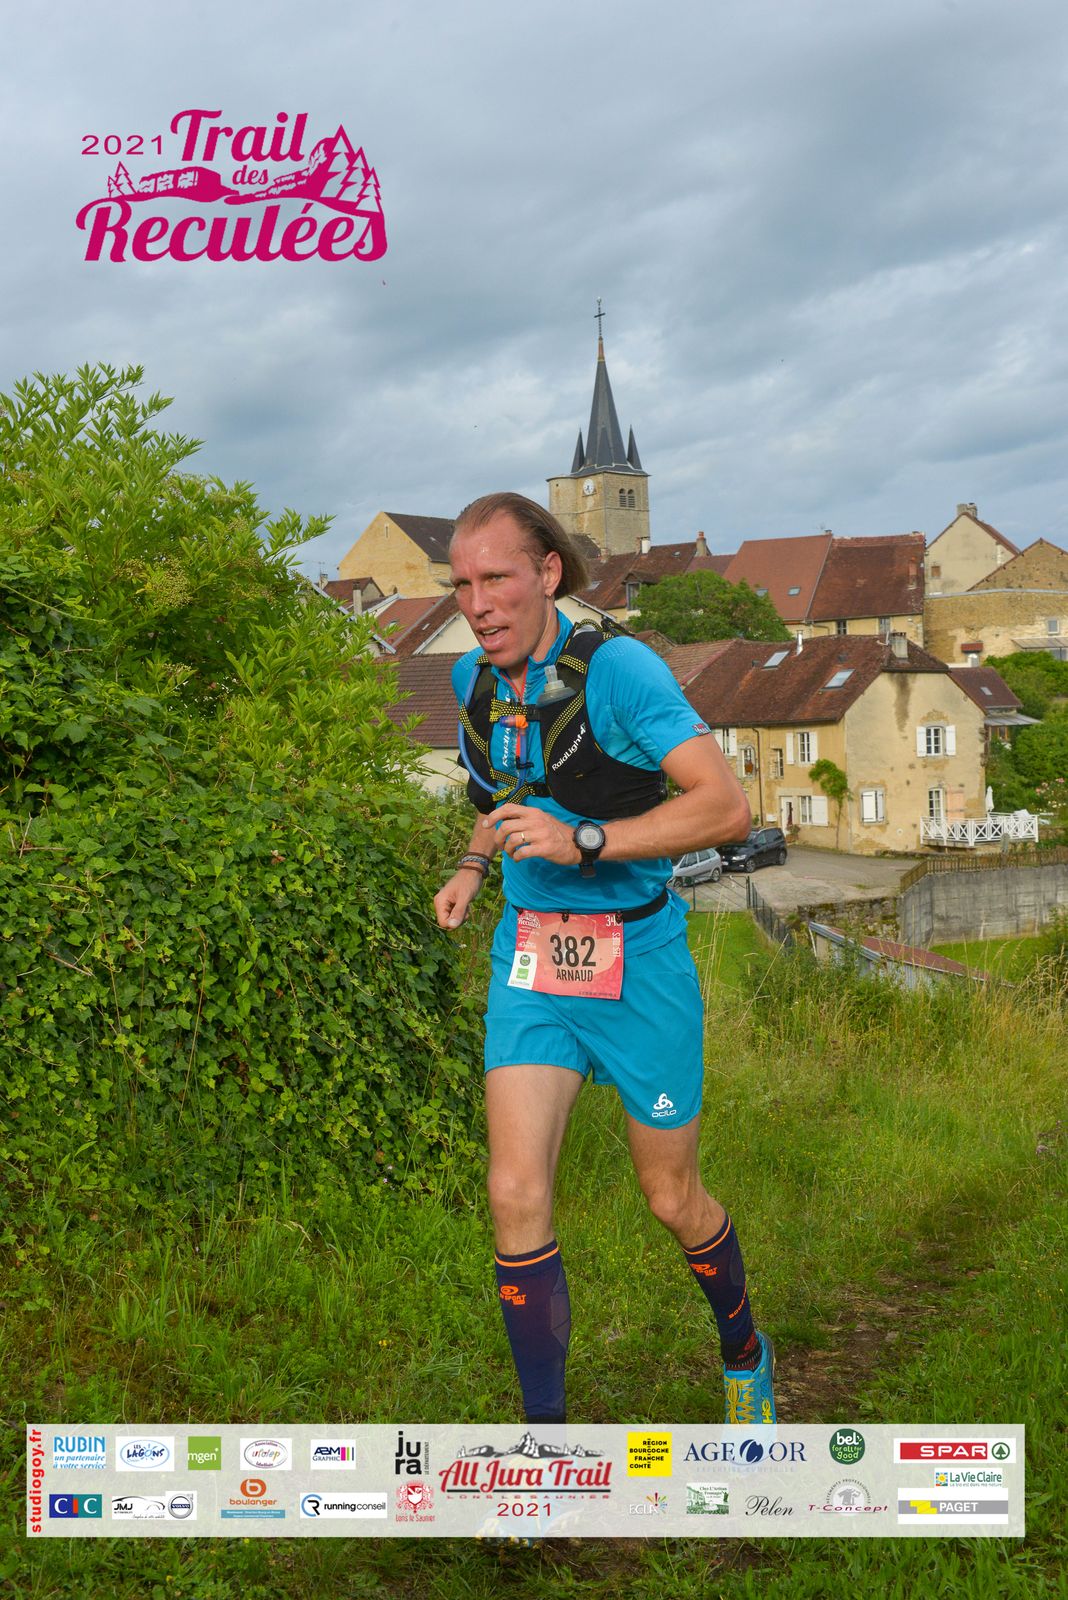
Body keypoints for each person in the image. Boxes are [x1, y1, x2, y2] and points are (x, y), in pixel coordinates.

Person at [433, 492, 776, 1427]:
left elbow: (725, 808)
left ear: (548, 574)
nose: (478, 604)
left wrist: (583, 839)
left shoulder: (620, 672)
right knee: (514, 1192)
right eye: (461, 584)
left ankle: (743, 1348)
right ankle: (545, 1439)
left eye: (496, 578)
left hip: (639, 962)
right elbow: (503, 792)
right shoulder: (472, 678)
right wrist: (473, 866)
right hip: (534, 962)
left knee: (671, 1197)